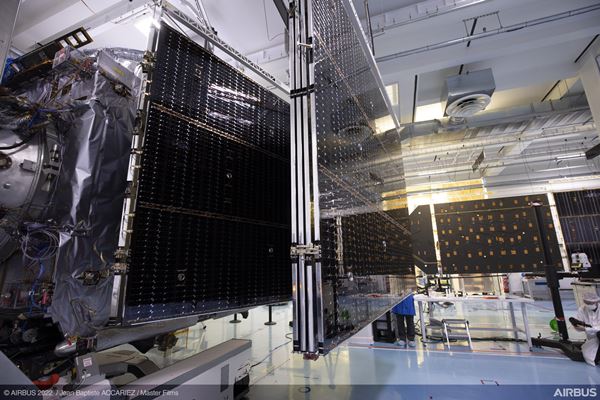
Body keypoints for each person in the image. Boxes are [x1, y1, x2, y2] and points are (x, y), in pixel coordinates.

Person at [570, 292, 600, 366]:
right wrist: (577, 326)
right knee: (593, 359)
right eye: (586, 302)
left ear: (596, 301)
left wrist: (586, 329)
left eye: (590, 303)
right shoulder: (582, 310)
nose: (588, 304)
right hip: (591, 340)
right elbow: (578, 327)